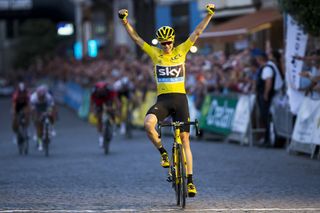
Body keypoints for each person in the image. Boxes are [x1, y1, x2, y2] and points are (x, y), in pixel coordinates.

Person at [118, 3, 215, 197]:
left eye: (169, 42)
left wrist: (209, 15)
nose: (167, 46)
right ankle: (163, 152)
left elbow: (196, 33)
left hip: (180, 100)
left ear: (173, 40)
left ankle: (190, 181)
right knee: (148, 125)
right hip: (163, 101)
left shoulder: (182, 50)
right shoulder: (155, 54)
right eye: (163, 43)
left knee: (185, 140)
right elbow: (137, 39)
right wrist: (125, 22)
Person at [255, 52, 283, 147]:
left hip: (267, 96)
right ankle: (267, 139)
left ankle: (270, 140)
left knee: (267, 118)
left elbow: (268, 82)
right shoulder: (268, 67)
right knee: (265, 118)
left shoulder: (267, 68)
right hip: (267, 95)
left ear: (260, 59)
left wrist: (266, 94)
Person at [90, 81, 120, 147]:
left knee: (111, 111)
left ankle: (113, 124)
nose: (101, 92)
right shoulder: (94, 91)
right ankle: (101, 135)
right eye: (100, 92)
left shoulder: (110, 90)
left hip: (108, 99)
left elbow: (116, 100)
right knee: (99, 117)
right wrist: (93, 111)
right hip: (99, 101)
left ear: (105, 89)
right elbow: (92, 103)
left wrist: (117, 109)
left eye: (102, 91)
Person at [30, 85, 56, 151]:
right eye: (40, 97)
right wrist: (36, 117)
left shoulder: (48, 97)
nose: (41, 98)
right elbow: (33, 110)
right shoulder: (33, 97)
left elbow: (51, 106)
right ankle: (40, 143)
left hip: (46, 106)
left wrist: (49, 112)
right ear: (37, 94)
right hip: (37, 108)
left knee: (51, 115)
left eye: (43, 96)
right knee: (37, 120)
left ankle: (52, 128)